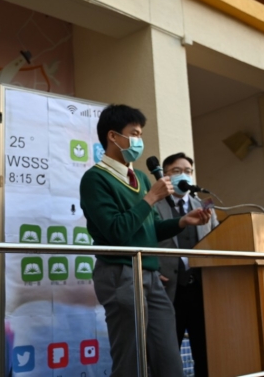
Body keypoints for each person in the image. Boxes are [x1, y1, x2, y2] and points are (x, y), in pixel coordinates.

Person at [79, 104, 211, 377]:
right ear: (113, 136)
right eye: (134, 134)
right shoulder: (95, 179)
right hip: (120, 272)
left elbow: (148, 230)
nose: (139, 141)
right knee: (131, 360)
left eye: (140, 134)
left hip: (150, 273)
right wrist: (151, 198)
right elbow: (117, 231)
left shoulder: (139, 177)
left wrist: (182, 222)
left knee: (169, 359)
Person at [156, 152, 219, 377]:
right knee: (167, 351)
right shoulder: (154, 205)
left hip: (201, 288)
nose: (184, 175)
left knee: (205, 351)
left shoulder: (205, 205)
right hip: (167, 288)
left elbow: (217, 238)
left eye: (188, 171)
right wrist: (151, 270)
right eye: (177, 171)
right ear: (165, 175)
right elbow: (144, 239)